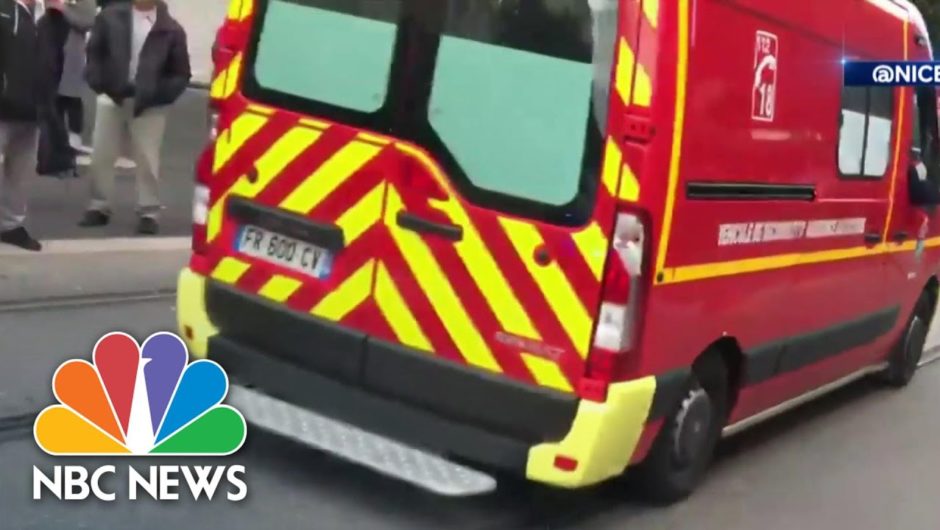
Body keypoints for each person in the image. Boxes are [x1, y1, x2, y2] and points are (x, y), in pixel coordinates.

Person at [79, 0, 190, 235]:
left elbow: (181, 73)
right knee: (101, 154)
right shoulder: (110, 17)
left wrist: (159, 95)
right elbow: (94, 52)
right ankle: (99, 206)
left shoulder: (171, 29)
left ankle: (148, 211)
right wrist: (99, 82)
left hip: (150, 103)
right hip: (112, 95)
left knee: (148, 159)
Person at [0, 0, 43, 251]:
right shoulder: (5, 11)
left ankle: (10, 225)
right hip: (5, 105)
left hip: (31, 109)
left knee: (20, 172)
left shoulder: (45, 18)